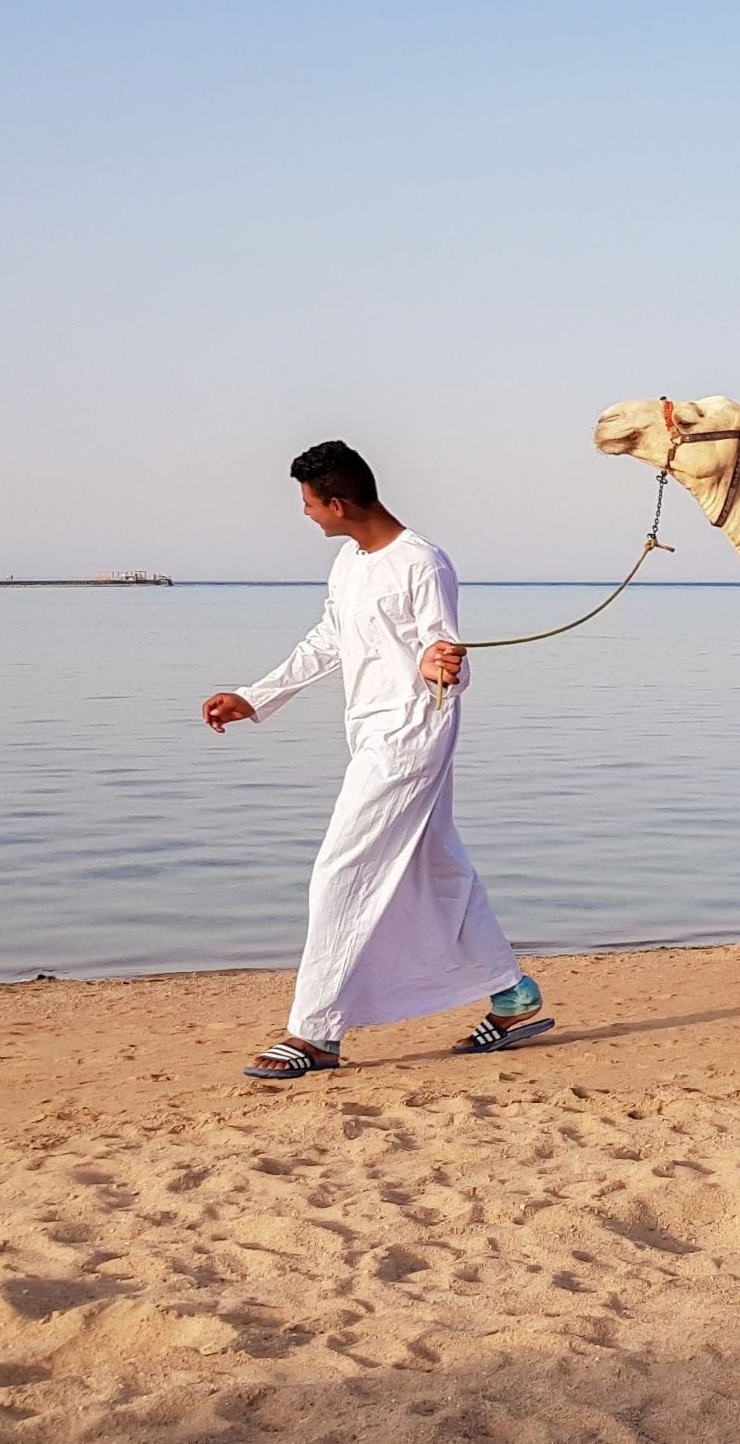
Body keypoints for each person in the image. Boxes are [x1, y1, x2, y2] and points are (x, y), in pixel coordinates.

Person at [200, 440, 548, 1082]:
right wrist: (255, 697)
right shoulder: (349, 562)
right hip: (369, 730)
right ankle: (512, 995)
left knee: (341, 869)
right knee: (437, 868)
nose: (305, 514)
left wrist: (439, 667)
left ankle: (315, 1032)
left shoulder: (422, 562)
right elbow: (328, 640)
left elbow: (447, 656)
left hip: (411, 732)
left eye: (309, 503)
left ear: (337, 503)